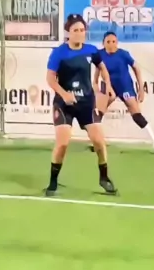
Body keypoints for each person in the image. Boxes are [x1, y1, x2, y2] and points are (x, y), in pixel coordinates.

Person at [45, 14, 117, 196]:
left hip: (86, 104)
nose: (79, 33)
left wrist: (108, 85)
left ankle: (104, 178)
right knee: (62, 144)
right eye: (75, 30)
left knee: (99, 142)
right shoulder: (59, 53)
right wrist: (64, 95)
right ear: (68, 32)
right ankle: (53, 182)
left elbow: (102, 68)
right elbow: (50, 79)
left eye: (82, 30)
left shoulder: (91, 51)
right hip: (64, 104)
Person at [93, 31, 154, 152]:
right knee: (97, 113)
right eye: (108, 42)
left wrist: (141, 89)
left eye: (114, 41)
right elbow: (96, 75)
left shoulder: (123, 54)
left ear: (117, 42)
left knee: (137, 115)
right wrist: (97, 89)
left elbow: (136, 68)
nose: (111, 44)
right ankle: (97, 143)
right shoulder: (99, 54)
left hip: (125, 86)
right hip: (108, 87)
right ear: (103, 43)